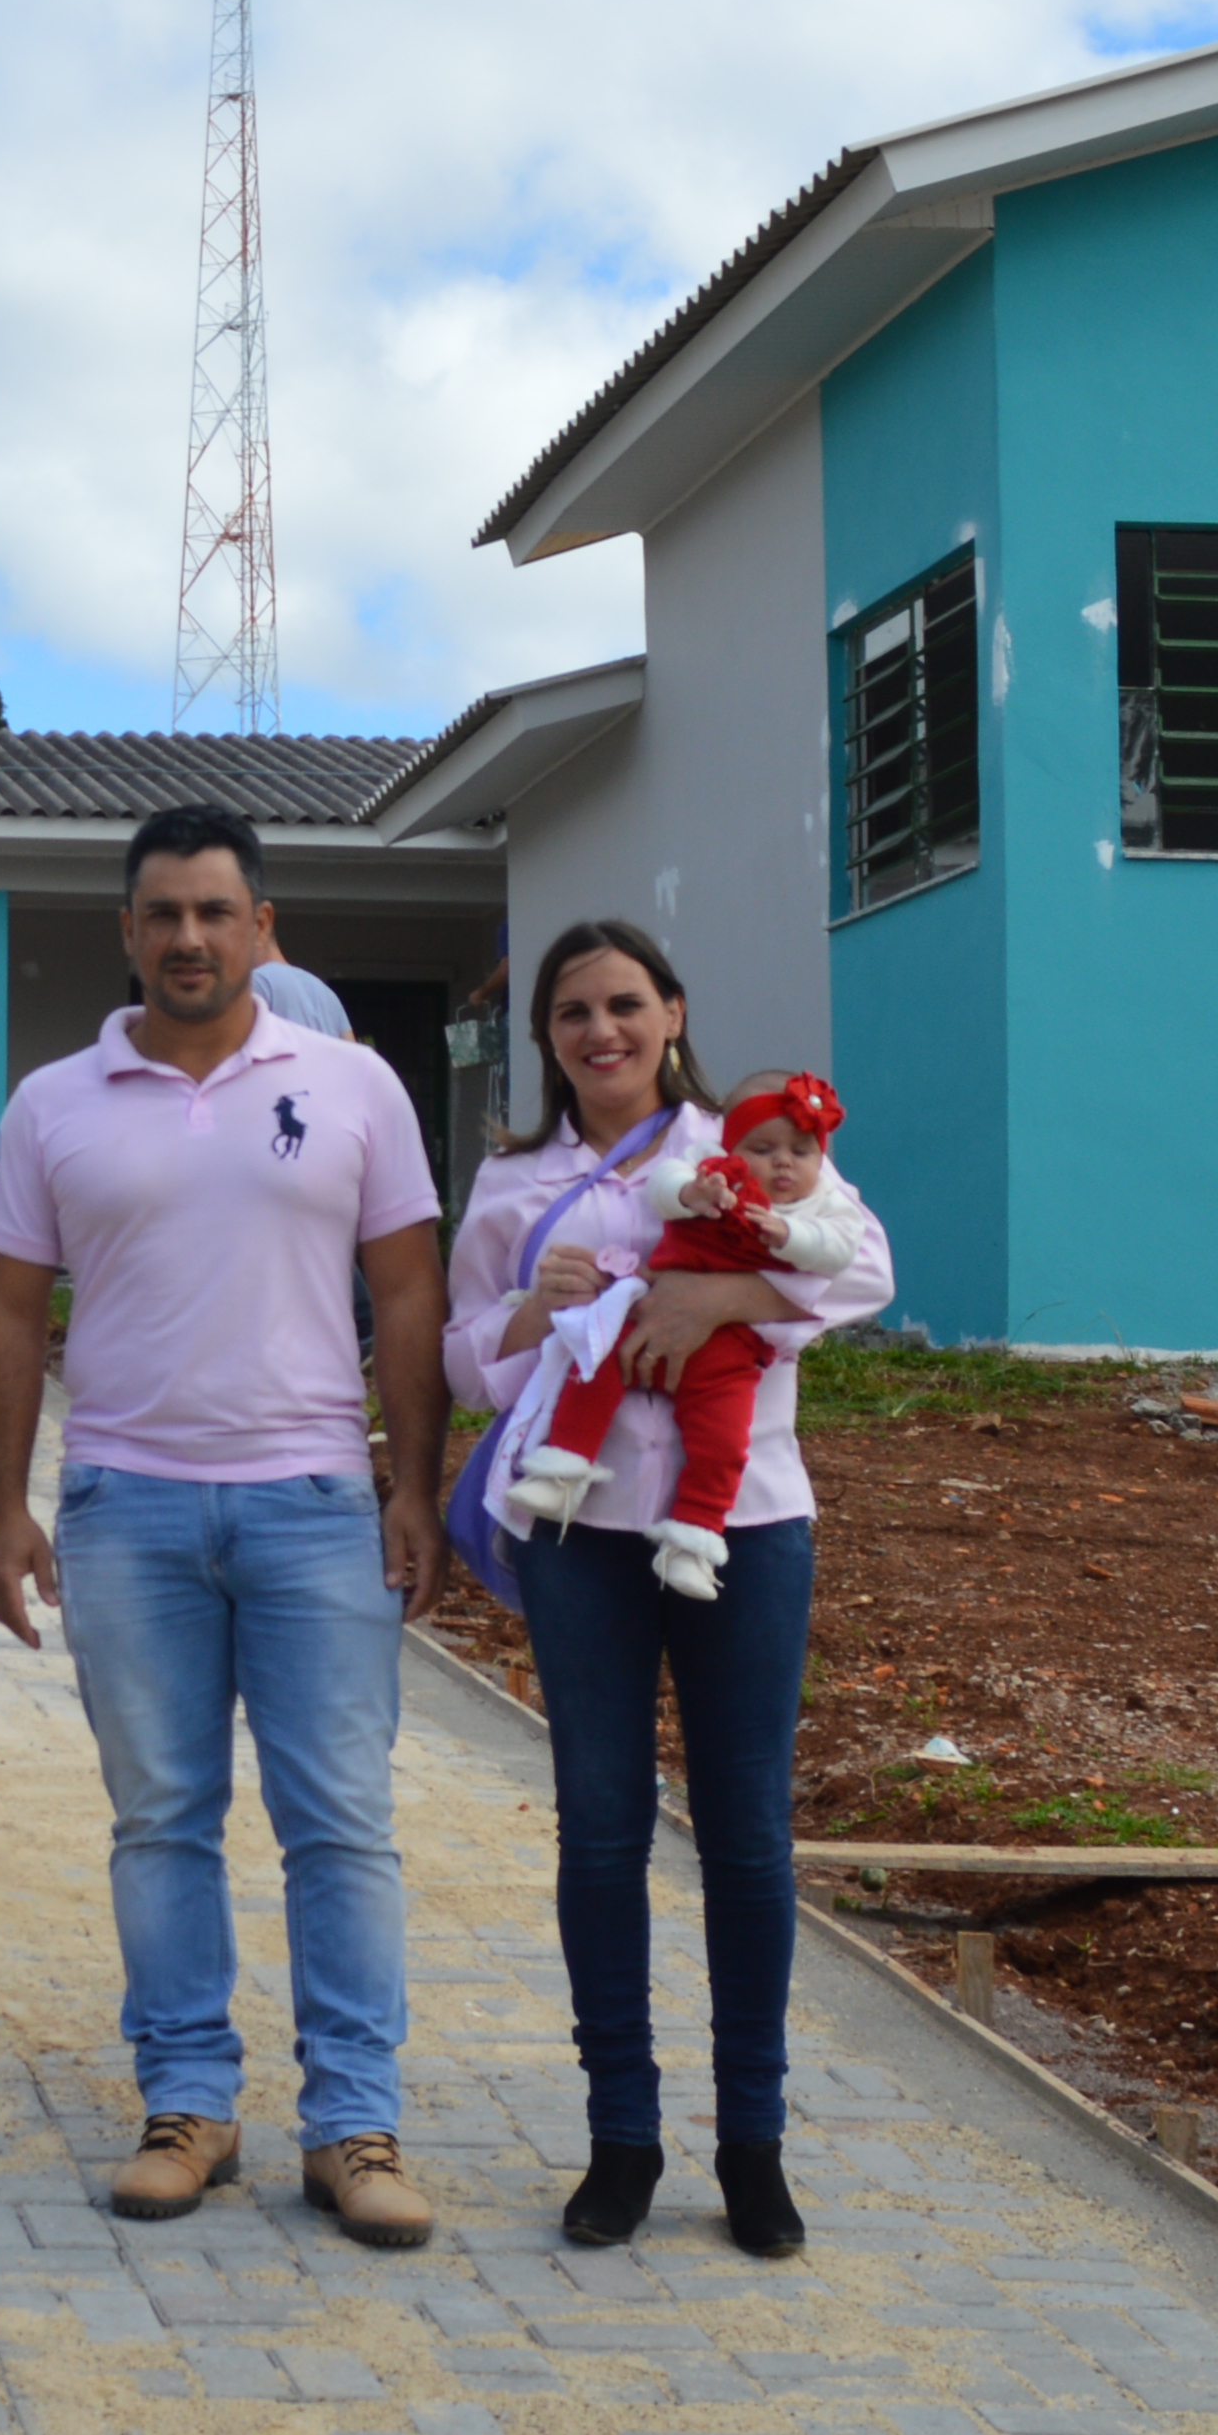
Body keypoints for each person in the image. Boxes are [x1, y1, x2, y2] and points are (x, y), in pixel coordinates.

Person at [0, 807, 453, 2250]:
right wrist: (6, 1506)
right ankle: (188, 2104)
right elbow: (5, 1307)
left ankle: (353, 2125)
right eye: (162, 913)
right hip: (127, 1508)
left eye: (215, 912)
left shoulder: (356, 1086)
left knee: (341, 1827)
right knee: (161, 1819)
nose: (188, 936)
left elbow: (411, 1296)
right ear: (127, 932)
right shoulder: (55, 1103)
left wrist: (411, 1484)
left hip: (313, 1506)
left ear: (262, 927)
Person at [450, 924, 897, 2264]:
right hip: (581, 1533)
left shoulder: (747, 1141)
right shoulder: (511, 1181)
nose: (602, 1033)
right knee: (600, 1827)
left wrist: (717, 1306)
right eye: (574, 1012)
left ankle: (753, 2148)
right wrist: (538, 1306)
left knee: (749, 1834)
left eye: (626, 1005)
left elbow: (862, 1268)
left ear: (673, 1014)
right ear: (548, 1036)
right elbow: (466, 1363)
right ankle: (621, 2140)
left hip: (746, 1525)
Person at [493, 1072, 869, 1598]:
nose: (783, 1162)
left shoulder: (819, 1200)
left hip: (730, 1352)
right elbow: (663, 1187)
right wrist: (693, 1192)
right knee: (593, 1363)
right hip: (644, 1313)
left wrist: (789, 1237)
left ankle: (694, 1537)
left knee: (722, 1439)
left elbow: (848, 1253)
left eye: (801, 1152)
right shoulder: (709, 1166)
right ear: (731, 1145)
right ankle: (564, 1467)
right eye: (762, 1148)